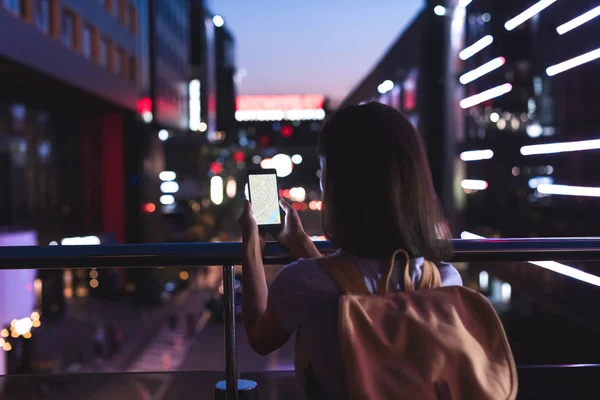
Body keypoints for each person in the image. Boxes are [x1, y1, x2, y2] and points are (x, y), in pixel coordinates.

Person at [238, 102, 463, 400]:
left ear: (340, 186)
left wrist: (252, 247)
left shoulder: (301, 282)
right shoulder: (445, 281)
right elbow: (351, 292)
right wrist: (300, 243)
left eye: (323, 169)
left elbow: (260, 337)